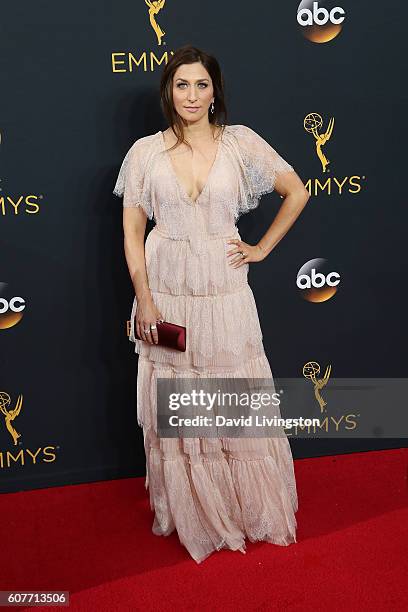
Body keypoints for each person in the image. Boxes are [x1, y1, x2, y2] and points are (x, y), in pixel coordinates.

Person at [113, 44, 310, 563]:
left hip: (225, 294)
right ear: (167, 92)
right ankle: (195, 511)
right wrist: (145, 300)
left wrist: (261, 248)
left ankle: (243, 508)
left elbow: (297, 189)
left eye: (202, 85)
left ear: (215, 90)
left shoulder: (241, 144)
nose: (192, 95)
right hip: (167, 291)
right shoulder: (145, 153)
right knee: (179, 404)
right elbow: (134, 234)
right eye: (182, 85)